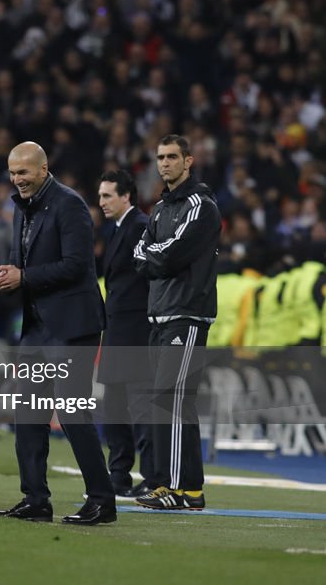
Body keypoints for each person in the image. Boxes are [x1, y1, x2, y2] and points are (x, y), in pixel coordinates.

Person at [0, 141, 115, 526]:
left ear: (43, 170)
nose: (17, 179)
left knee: (74, 415)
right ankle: (36, 499)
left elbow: (78, 266)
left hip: (71, 326)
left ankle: (102, 501)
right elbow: (24, 258)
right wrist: (11, 274)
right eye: (12, 172)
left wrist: (24, 277)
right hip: (37, 327)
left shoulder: (70, 204)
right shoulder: (21, 208)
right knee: (27, 414)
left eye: (24, 172)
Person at [132, 134, 221, 510]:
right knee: (178, 404)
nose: (164, 163)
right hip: (161, 314)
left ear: (188, 161)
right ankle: (193, 491)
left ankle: (169, 486)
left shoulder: (201, 206)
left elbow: (166, 256)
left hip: (186, 314)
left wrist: (154, 256)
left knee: (168, 401)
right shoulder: (159, 210)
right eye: (160, 157)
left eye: (172, 157)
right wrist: (155, 255)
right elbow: (139, 253)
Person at [96, 169, 154, 498]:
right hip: (117, 329)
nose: (101, 201)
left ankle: (150, 476)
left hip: (136, 331)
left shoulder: (141, 227)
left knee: (141, 406)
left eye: (107, 195)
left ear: (126, 196)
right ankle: (118, 474)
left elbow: (149, 278)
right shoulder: (118, 228)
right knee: (115, 406)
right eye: (101, 195)